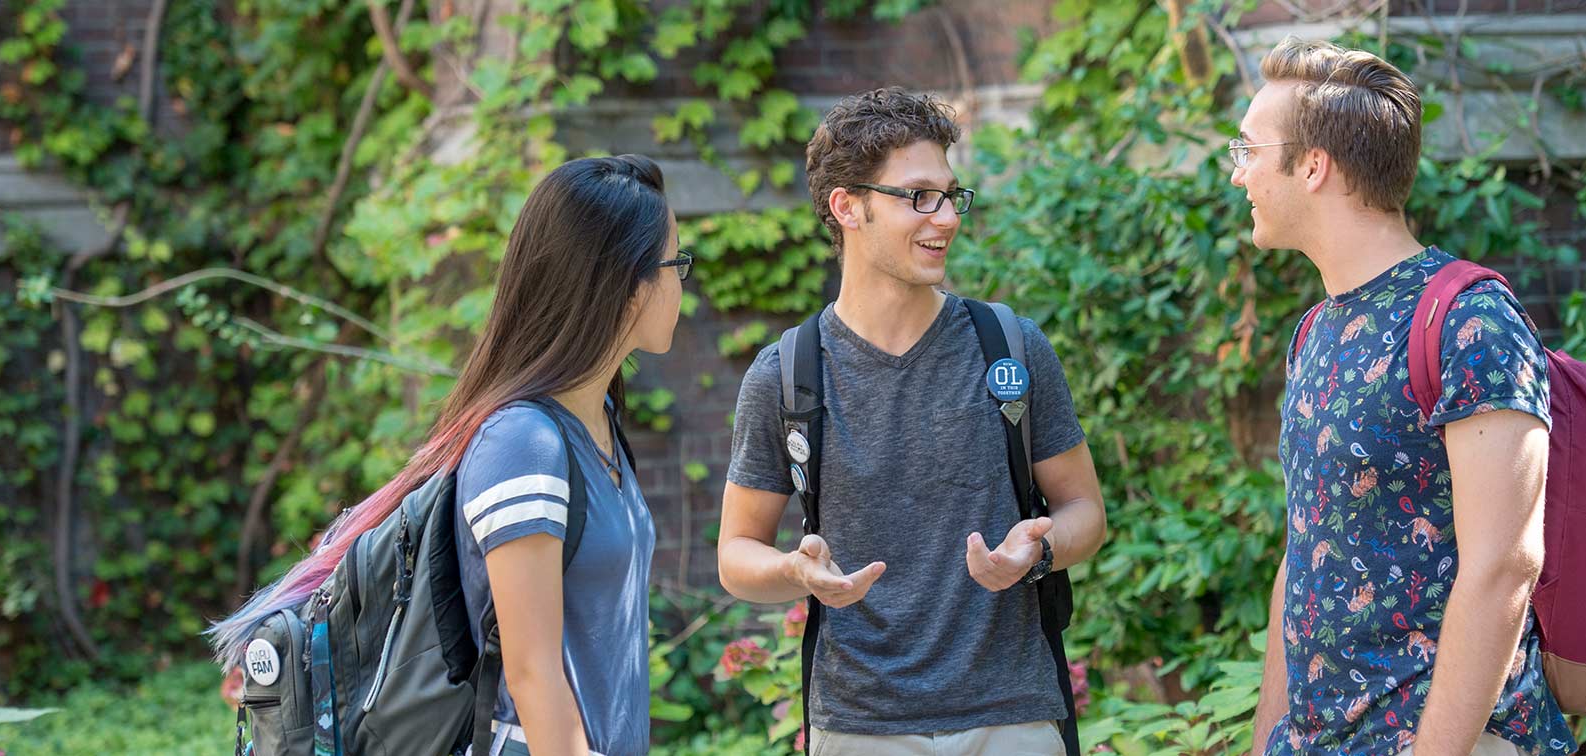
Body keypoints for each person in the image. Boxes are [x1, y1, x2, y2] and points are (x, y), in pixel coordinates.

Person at [212, 155, 689, 756]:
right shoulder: (526, 443)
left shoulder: (598, 425)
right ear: (625, 283)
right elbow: (532, 674)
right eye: (677, 262)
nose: (681, 283)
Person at [716, 88, 1106, 755]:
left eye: (953, 195)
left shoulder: (1009, 346)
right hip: (861, 723)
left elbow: (1084, 512)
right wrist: (794, 573)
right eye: (920, 196)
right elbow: (736, 555)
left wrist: (1034, 551)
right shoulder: (787, 375)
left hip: (1012, 712)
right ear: (848, 207)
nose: (947, 217)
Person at [1232, 39, 1576, 756]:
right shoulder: (1315, 331)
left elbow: (1505, 565)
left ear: (1314, 167)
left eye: (1248, 151)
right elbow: (1305, 551)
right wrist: (1269, 740)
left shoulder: (1470, 319)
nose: (1239, 176)